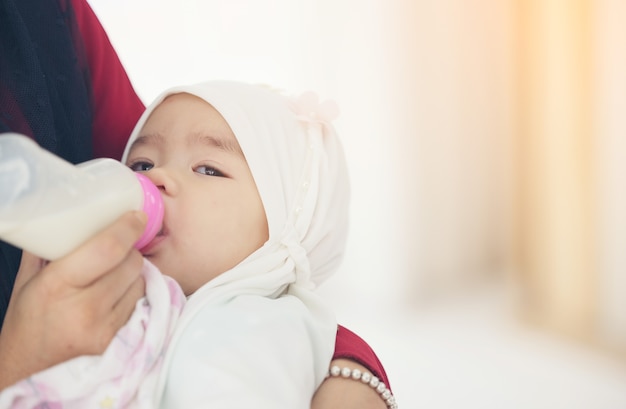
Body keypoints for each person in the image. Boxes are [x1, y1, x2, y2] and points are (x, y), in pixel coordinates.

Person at [0, 0, 395, 407]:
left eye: (207, 169)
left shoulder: (252, 332)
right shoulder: (128, 312)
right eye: (141, 162)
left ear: (284, 228)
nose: (154, 178)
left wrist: (350, 371)